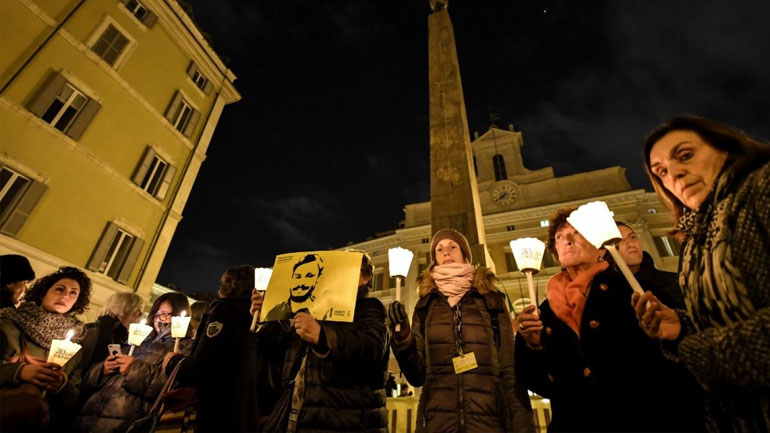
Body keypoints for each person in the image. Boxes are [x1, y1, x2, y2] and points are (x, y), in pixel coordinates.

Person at [633, 116, 770, 433]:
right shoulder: (696, 238)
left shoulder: (761, 189)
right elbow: (731, 318)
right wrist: (681, 327)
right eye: (661, 172)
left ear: (725, 149)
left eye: (685, 155)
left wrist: (700, 353)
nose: (674, 174)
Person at [514, 208, 703, 432]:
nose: (567, 239)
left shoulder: (634, 291)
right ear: (556, 253)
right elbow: (538, 381)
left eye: (577, 233)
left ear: (600, 247)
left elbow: (676, 369)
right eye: (560, 236)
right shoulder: (544, 311)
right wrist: (532, 345)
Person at [387, 229, 534, 433]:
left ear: (465, 254)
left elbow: (510, 369)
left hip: (488, 421)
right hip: (438, 422)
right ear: (435, 260)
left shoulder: (491, 299)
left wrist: (522, 425)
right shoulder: (425, 305)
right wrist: (402, 336)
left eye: (452, 247)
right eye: (439, 249)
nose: (446, 252)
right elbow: (417, 374)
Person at [251, 252, 389, 432]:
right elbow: (284, 351)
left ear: (366, 278)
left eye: (350, 270)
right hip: (306, 417)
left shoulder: (370, 307)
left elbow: (373, 347)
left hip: (348, 420)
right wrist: (268, 317)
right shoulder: (316, 309)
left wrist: (323, 337)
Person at [72, 292, 193, 433]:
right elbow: (87, 380)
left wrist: (134, 369)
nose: (161, 320)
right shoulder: (138, 339)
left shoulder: (185, 347)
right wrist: (103, 370)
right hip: (88, 418)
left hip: (126, 424)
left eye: (167, 314)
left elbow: (169, 386)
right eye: (158, 314)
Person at [163, 265, 264, 432]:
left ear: (228, 286)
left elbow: (203, 366)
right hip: (242, 414)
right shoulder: (259, 319)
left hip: (212, 409)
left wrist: (174, 361)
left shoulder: (224, 311)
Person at [0, 266, 91, 430]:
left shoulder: (75, 343)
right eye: (59, 289)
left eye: (73, 293)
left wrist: (61, 386)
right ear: (43, 293)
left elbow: (74, 399)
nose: (65, 295)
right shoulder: (8, 322)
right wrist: (19, 372)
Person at [615, 221, 685, 309]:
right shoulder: (610, 292)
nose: (631, 244)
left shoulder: (675, 282)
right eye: (620, 240)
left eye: (632, 237)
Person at [80, 292, 144, 372]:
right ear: (124, 309)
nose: (141, 314)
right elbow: (81, 368)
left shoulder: (123, 336)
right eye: (138, 309)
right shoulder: (94, 331)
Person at [263, 253, 324, 321]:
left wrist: (319, 331)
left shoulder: (324, 312)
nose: (301, 283)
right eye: (297, 277)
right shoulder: (275, 311)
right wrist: (260, 320)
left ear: (318, 280)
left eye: (309, 276)